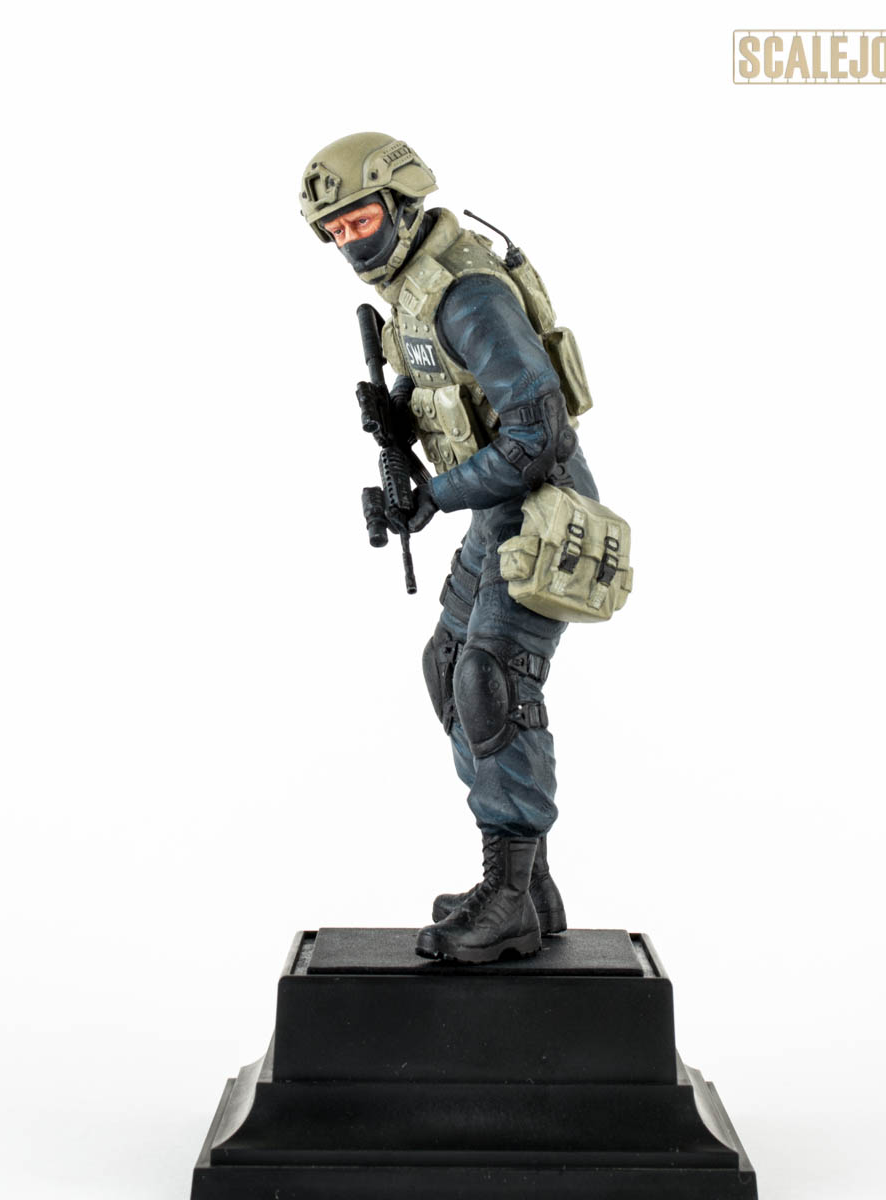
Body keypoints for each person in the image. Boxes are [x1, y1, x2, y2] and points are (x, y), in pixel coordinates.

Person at [301, 133, 599, 963]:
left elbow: (538, 434)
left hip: (543, 509)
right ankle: (529, 886)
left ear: (401, 203)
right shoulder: (412, 288)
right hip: (498, 509)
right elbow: (447, 388)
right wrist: (398, 423)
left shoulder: (467, 292)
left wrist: (436, 493)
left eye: (361, 221)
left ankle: (508, 898)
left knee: (489, 680)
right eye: (336, 231)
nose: (351, 243)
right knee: (448, 667)